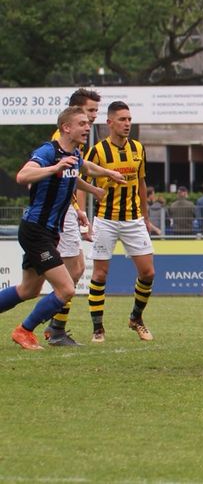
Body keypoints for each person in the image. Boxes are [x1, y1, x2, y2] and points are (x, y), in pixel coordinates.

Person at [3, 107, 124, 349]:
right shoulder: (48, 151)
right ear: (66, 128)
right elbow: (22, 176)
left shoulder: (75, 154)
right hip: (36, 229)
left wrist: (103, 179)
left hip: (48, 231)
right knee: (67, 288)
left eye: (87, 124)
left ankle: (26, 329)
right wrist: (53, 168)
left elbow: (83, 169)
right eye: (82, 123)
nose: (87, 127)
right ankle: (24, 330)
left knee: (28, 289)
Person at [84, 101, 158, 342]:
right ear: (110, 123)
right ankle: (98, 328)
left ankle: (136, 318)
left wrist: (146, 217)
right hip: (106, 219)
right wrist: (84, 216)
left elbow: (142, 183)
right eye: (122, 119)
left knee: (148, 272)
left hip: (134, 219)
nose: (127, 124)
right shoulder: (97, 150)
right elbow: (81, 181)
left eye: (129, 119)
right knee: (100, 274)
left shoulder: (138, 148)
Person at [42, 88, 101, 346]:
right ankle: (52, 327)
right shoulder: (63, 138)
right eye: (90, 112)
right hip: (58, 211)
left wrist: (78, 208)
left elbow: (71, 176)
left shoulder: (76, 138)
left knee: (73, 270)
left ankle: (55, 326)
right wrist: (76, 208)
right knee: (71, 270)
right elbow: (64, 176)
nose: (93, 118)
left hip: (66, 208)